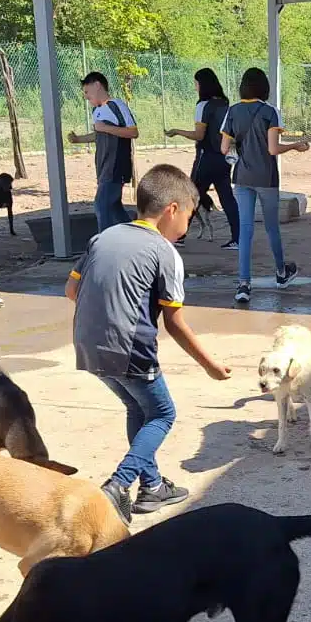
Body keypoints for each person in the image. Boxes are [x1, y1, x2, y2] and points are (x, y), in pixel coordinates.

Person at [67, 164, 231, 522]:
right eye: (189, 215)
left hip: (85, 344)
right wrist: (210, 365)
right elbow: (174, 322)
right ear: (173, 209)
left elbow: (71, 290)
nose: (187, 226)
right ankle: (118, 487)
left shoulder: (103, 237)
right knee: (162, 414)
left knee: (138, 410)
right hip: (129, 349)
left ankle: (153, 487)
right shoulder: (165, 252)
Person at [221, 68, 309, 306]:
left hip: (242, 177)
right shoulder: (270, 112)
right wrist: (295, 146)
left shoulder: (233, 111)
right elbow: (273, 149)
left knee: (245, 230)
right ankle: (281, 273)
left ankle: (243, 284)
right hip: (267, 178)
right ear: (264, 87)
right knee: (272, 228)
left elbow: (223, 148)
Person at [166, 68, 239, 250]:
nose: (195, 87)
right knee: (227, 197)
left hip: (205, 157)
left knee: (191, 195)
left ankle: (179, 235)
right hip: (223, 157)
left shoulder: (203, 106)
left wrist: (177, 131)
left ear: (202, 85)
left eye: (196, 83)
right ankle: (238, 237)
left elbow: (199, 135)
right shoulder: (225, 104)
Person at [67, 72, 138, 234]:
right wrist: (78, 139)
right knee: (113, 208)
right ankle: (138, 238)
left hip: (116, 165)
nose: (85, 96)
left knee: (101, 205)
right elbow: (100, 135)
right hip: (104, 166)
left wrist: (104, 128)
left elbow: (133, 132)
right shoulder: (97, 111)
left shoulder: (116, 105)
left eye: (87, 92)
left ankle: (104, 246)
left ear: (97, 85)